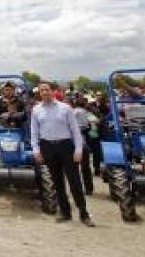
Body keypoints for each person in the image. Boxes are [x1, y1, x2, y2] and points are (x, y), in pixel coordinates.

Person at [31, 82, 94, 227]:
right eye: (42, 90)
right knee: (57, 181)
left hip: (66, 146)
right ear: (39, 93)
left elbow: (75, 131)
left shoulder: (65, 108)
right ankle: (65, 212)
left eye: (47, 90)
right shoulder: (36, 110)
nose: (45, 92)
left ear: (52, 91)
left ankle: (84, 214)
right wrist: (36, 150)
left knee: (74, 181)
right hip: (47, 147)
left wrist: (78, 150)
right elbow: (34, 132)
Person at [72, 98, 96, 195]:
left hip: (73, 139)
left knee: (74, 168)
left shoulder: (73, 112)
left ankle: (77, 189)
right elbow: (95, 121)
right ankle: (89, 188)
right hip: (84, 139)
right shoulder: (87, 113)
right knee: (86, 167)